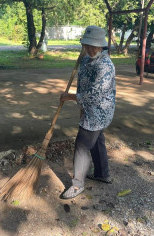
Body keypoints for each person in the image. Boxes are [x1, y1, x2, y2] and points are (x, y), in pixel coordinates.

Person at [60, 25, 116, 199]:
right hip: (88, 110)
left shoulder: (105, 65)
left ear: (102, 45)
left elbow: (95, 94)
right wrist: (80, 105)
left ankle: (77, 185)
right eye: (87, 45)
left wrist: (70, 97)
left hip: (99, 112)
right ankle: (102, 174)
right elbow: (83, 83)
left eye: (94, 46)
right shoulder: (85, 60)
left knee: (82, 146)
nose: (90, 49)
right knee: (97, 141)